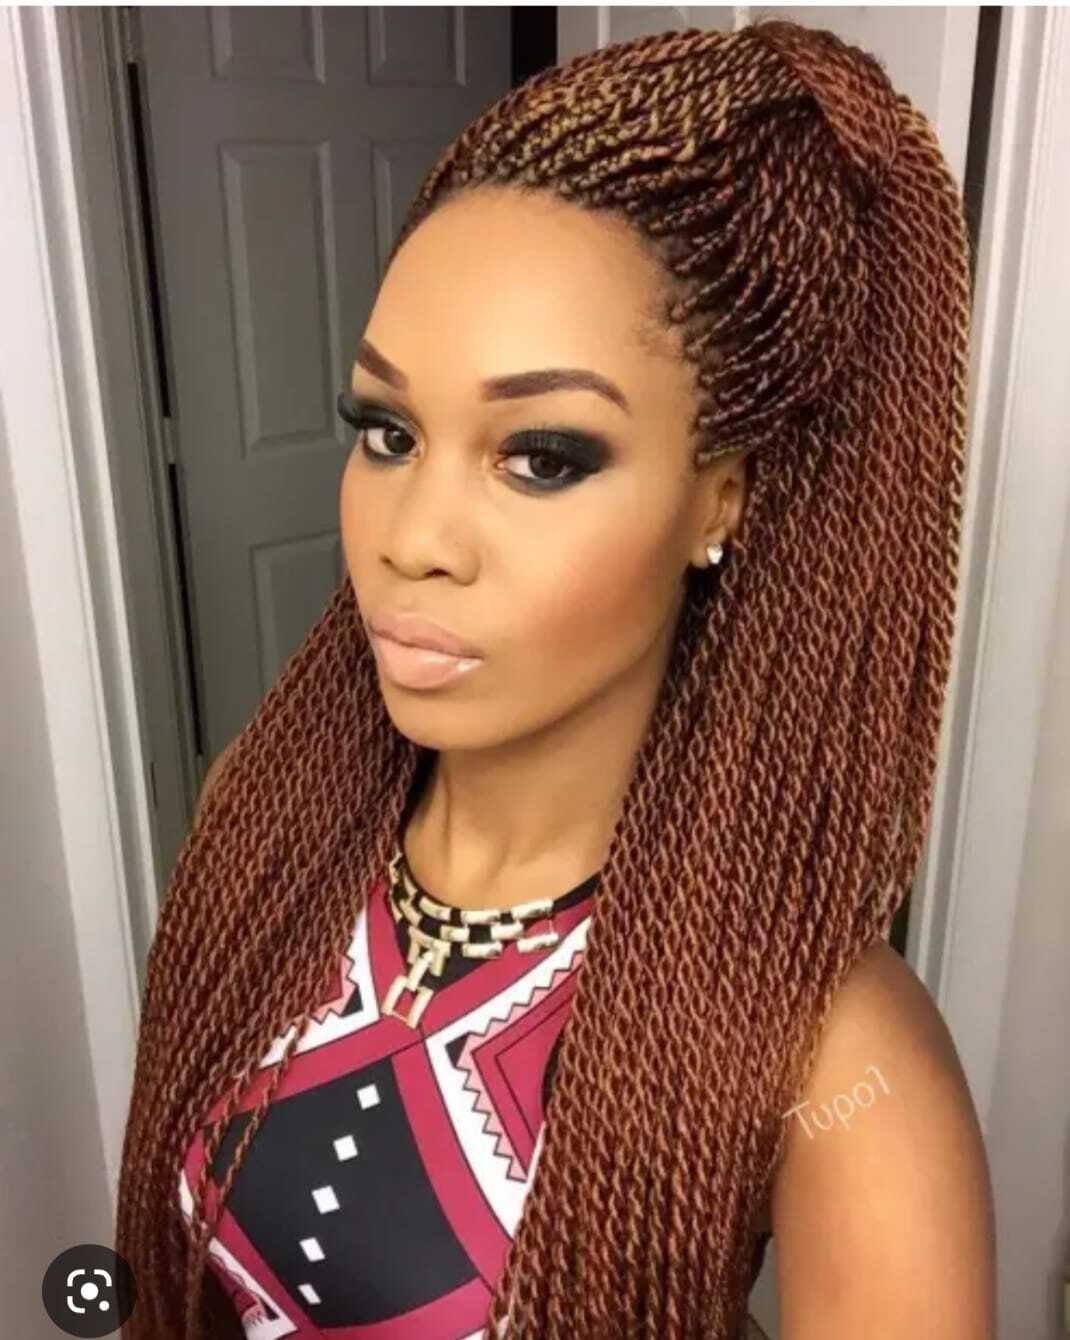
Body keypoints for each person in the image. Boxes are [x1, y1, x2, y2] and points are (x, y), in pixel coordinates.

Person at [116, 17, 995, 1340]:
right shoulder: (267, 815)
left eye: (541, 458)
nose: (413, 538)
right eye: (388, 430)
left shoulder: (835, 1060)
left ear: (722, 498)